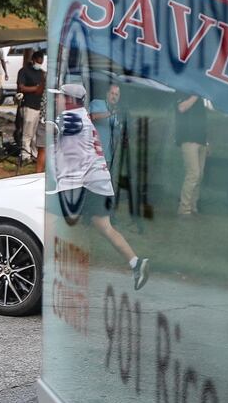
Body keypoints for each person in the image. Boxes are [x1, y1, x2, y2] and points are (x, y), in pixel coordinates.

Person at [50, 82, 149, 289]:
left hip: (87, 183)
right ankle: (136, 263)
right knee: (103, 227)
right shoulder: (81, 115)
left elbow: (70, 156)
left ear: (69, 100)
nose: (56, 99)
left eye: (59, 96)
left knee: (52, 219)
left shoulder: (71, 118)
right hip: (100, 183)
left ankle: (53, 271)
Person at [175, 93, 210, 215]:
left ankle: (193, 207)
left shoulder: (201, 97)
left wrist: (207, 142)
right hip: (188, 139)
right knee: (193, 173)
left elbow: (203, 119)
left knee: (199, 175)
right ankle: (184, 208)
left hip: (201, 140)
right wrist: (196, 95)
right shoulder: (182, 89)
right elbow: (181, 108)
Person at [15, 49, 47, 165]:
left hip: (39, 107)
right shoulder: (24, 71)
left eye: (41, 62)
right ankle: (25, 156)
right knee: (27, 133)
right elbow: (21, 87)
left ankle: (34, 155)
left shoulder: (42, 73)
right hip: (28, 105)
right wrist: (36, 88)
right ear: (33, 60)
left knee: (35, 134)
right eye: (38, 61)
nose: (40, 64)